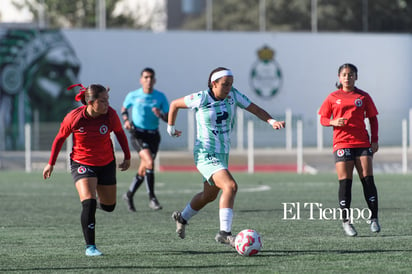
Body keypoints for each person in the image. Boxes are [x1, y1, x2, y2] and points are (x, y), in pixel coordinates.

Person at [167, 67, 285, 247]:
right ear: (214, 84)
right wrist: (171, 128)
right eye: (225, 84)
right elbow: (174, 104)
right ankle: (224, 233)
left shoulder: (233, 95)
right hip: (205, 153)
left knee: (209, 195)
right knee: (230, 186)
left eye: (231, 84)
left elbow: (254, 108)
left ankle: (182, 218)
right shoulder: (201, 98)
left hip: (222, 153)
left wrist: (271, 121)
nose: (229, 87)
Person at [43, 83, 131, 256]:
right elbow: (60, 138)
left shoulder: (111, 115)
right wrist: (51, 163)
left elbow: (120, 133)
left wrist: (127, 157)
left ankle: (92, 205)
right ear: (91, 102)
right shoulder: (74, 117)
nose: (107, 104)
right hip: (82, 163)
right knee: (89, 201)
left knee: (109, 206)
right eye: (103, 101)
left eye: (108, 100)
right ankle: (90, 247)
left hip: (106, 163)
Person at [318, 63, 380, 237]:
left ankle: (374, 218)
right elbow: (323, 117)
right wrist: (332, 122)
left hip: (362, 143)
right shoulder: (332, 97)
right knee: (345, 183)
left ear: (356, 77)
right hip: (342, 144)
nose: (347, 77)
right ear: (339, 77)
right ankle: (346, 222)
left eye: (351, 74)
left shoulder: (363, 96)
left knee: (368, 179)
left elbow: (373, 119)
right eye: (344, 74)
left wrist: (374, 140)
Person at [121, 68, 169, 212]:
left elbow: (168, 118)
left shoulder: (160, 97)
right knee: (149, 162)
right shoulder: (133, 95)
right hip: (138, 134)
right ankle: (152, 198)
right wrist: (126, 120)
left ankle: (129, 194)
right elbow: (124, 108)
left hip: (154, 136)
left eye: (151, 77)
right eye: (145, 77)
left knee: (144, 168)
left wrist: (160, 114)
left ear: (154, 80)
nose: (148, 80)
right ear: (141, 79)